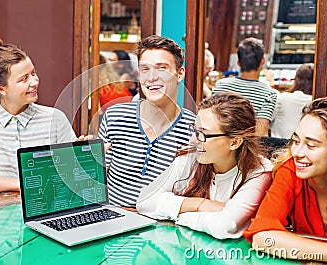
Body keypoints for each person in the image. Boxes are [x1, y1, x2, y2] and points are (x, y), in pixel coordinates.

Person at [137, 92, 273, 239]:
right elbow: (145, 201)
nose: (194, 140)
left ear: (234, 142)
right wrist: (199, 204)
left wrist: (178, 215)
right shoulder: (191, 157)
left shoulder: (259, 172)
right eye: (195, 131)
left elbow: (224, 226)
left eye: (203, 134)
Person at [0, 35, 76, 192]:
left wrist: (84, 155)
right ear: (1, 88)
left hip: (46, 211)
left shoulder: (55, 119)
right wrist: (20, 183)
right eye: (24, 79)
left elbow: (74, 176)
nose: (34, 82)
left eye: (33, 73)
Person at [98, 35, 196, 208]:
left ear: (180, 74)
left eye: (161, 68)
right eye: (145, 69)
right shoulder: (114, 116)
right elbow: (97, 180)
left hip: (163, 227)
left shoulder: (194, 129)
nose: (151, 78)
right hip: (114, 222)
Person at [244, 98, 327, 262]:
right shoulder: (291, 171)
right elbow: (261, 237)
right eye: (296, 141)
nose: (296, 152)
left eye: (310, 145)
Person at [212, 37, 278, 136]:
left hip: (218, 142)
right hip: (246, 148)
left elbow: (211, 120)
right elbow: (260, 134)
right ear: (263, 61)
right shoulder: (269, 94)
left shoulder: (221, 85)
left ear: (238, 62)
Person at [271, 63, 313, 139]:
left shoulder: (282, 98)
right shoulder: (316, 102)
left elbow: (267, 121)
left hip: (279, 146)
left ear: (296, 79)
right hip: (305, 146)